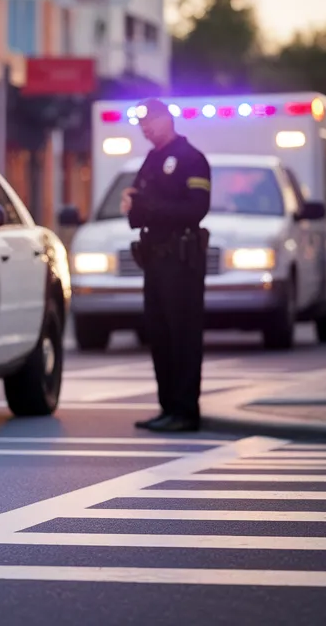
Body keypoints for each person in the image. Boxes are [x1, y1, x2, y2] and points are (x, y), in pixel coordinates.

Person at [121, 98, 212, 433]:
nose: (145, 128)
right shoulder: (151, 159)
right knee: (159, 334)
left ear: (167, 119)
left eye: (150, 121)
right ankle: (168, 406)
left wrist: (147, 205)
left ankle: (186, 411)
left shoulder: (191, 158)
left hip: (181, 259)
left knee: (182, 334)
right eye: (141, 124)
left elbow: (196, 209)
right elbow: (138, 207)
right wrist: (133, 205)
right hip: (155, 258)